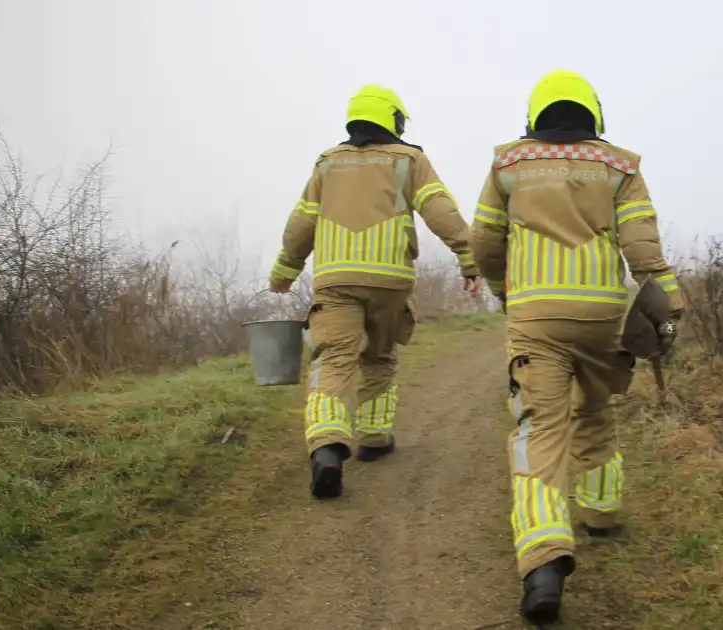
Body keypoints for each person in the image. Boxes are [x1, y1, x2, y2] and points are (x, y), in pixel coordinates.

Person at [469, 69, 684, 624]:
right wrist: (671, 303)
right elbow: (641, 245)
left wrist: (502, 290)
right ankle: (602, 513)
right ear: (593, 113)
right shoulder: (621, 165)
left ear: (535, 114)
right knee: (595, 409)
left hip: (536, 317)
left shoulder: (508, 163)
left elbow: (486, 239)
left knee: (538, 429)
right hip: (604, 315)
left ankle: (544, 562)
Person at [269, 83, 480, 499]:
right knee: (379, 356)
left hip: (336, 280)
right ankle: (374, 438)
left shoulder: (328, 163)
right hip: (389, 280)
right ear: (395, 120)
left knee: (333, 360)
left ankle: (327, 447)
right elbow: (440, 209)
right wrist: (469, 259)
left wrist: (284, 271)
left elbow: (302, 222)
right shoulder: (409, 159)